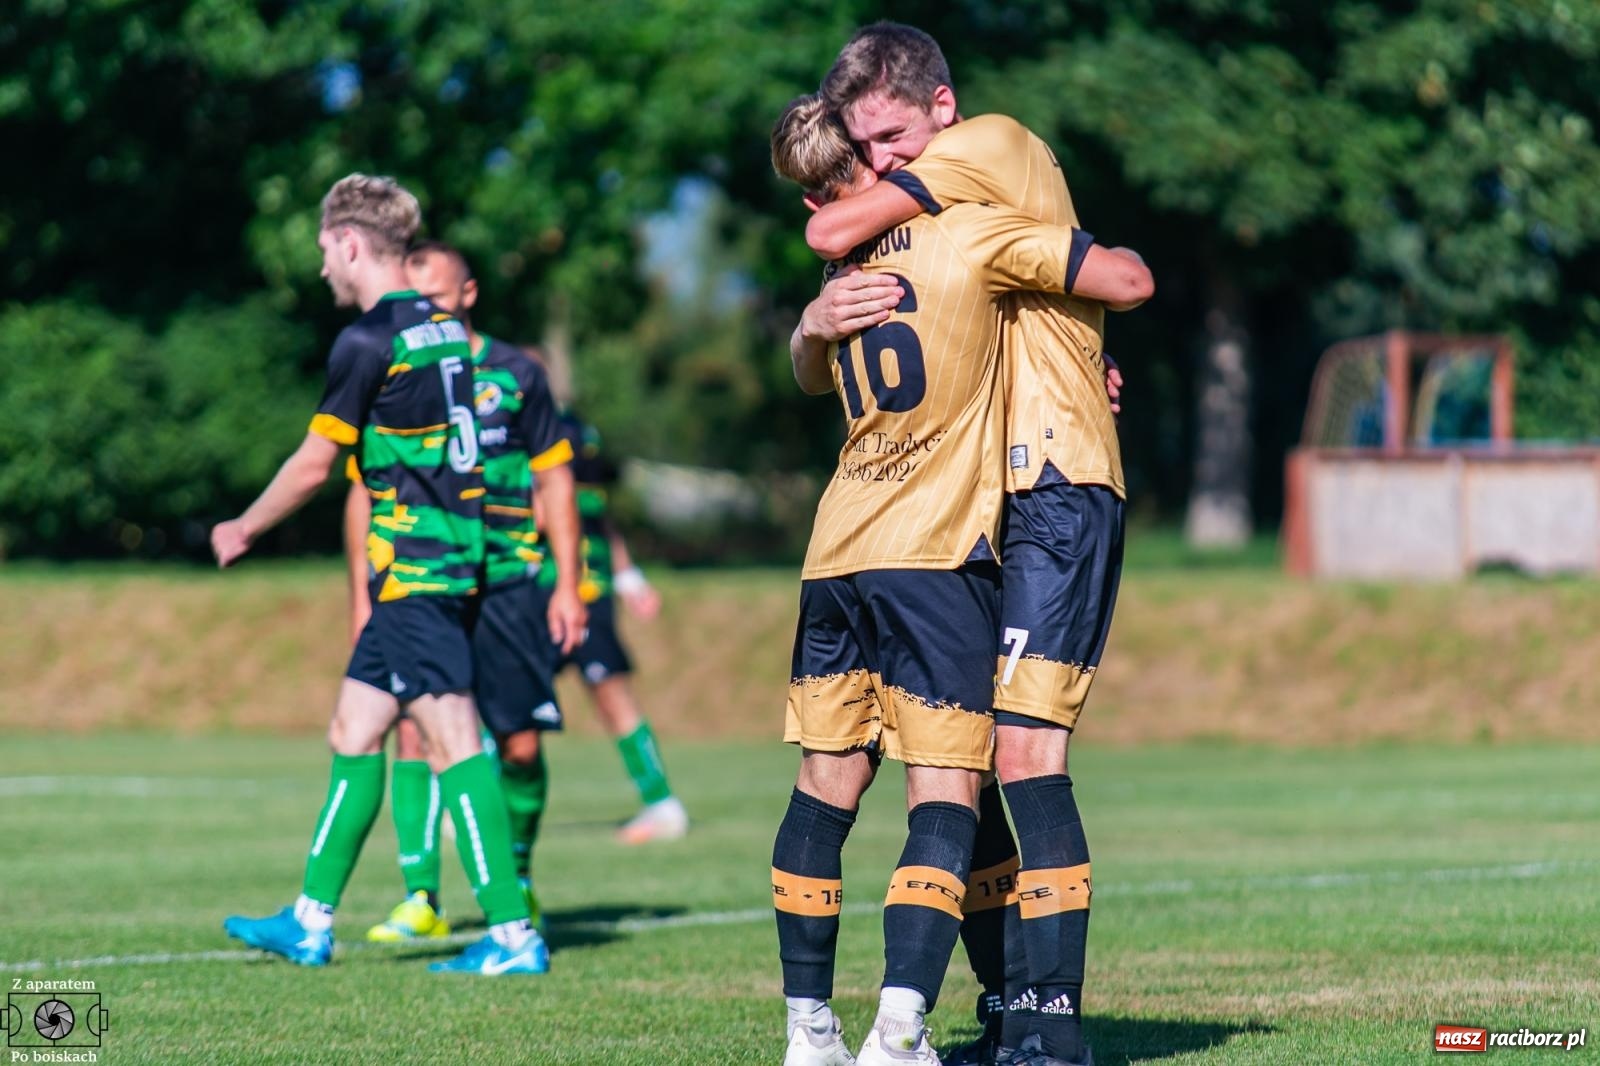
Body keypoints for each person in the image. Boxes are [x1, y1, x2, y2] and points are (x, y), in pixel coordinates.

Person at [769, 97, 1150, 1066]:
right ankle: (910, 1030)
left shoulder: (843, 272)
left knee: (831, 788)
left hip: (834, 550)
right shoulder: (963, 234)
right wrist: (1080, 333)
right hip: (932, 548)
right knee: (952, 789)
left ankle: (811, 1032)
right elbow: (1124, 274)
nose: (907, 160)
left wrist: (809, 326)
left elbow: (811, 371)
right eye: (885, 149)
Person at [212, 174, 547, 975]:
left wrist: (245, 523)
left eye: (327, 250)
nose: (325, 266)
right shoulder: (444, 330)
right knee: (354, 729)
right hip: (449, 565)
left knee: (455, 740)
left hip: (416, 573)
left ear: (351, 245)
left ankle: (510, 932)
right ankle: (310, 919)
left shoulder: (369, 341)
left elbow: (315, 465)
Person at [344, 241, 587, 941]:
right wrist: (365, 590)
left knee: (517, 745)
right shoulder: (398, 366)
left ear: (470, 294)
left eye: (441, 301)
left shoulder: (516, 374)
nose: (428, 314)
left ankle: (516, 877)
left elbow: (556, 478)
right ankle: (421, 894)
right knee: (416, 733)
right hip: (426, 578)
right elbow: (364, 488)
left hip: (509, 578)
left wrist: (567, 584)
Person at [532, 412, 689, 843]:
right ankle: (475, 805)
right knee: (508, 707)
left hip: (579, 601)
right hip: (537, 603)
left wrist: (629, 579)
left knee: (613, 701)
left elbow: (595, 527)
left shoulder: (565, 480)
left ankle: (662, 805)